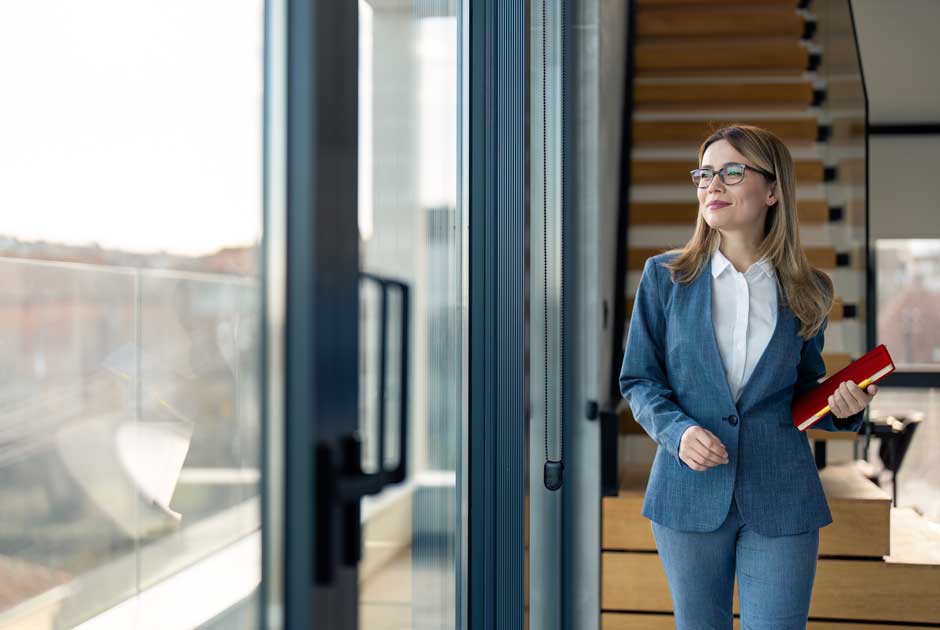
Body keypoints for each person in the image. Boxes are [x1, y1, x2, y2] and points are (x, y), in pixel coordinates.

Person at [619, 124, 878, 629]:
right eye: (705, 174)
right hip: (687, 491)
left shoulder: (811, 289)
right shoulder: (664, 277)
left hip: (782, 494)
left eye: (732, 172)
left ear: (774, 189)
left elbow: (804, 388)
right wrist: (678, 432)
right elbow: (639, 382)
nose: (712, 185)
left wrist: (843, 408)